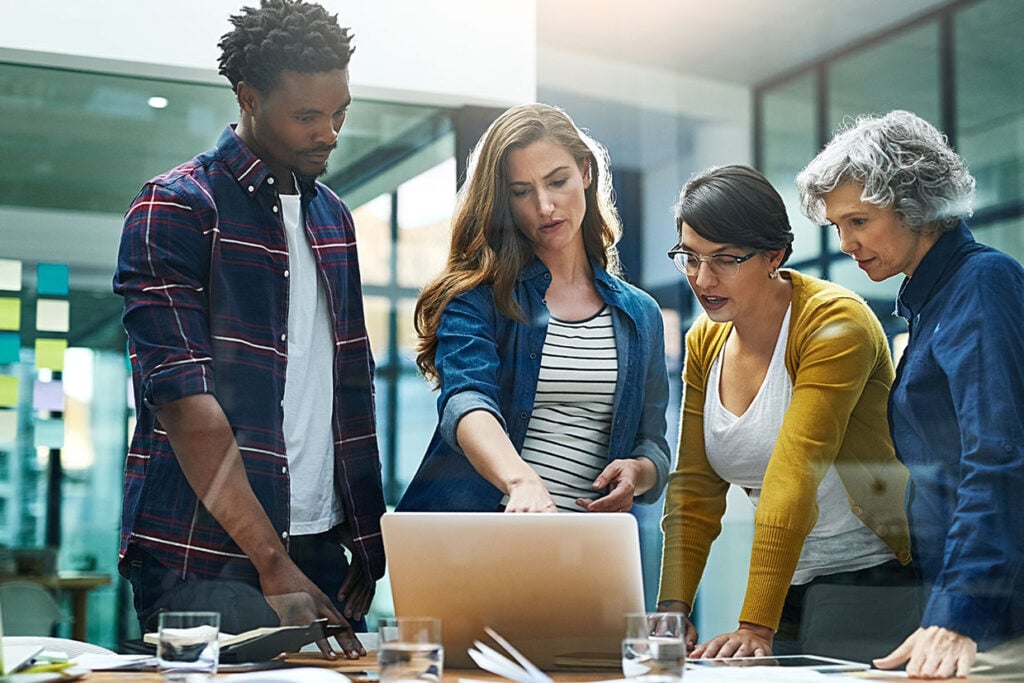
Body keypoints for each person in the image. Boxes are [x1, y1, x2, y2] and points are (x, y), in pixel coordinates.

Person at [113, 0, 385, 658]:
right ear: (248, 97)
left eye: (340, 112)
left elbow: (347, 389)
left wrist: (367, 542)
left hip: (317, 548)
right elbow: (184, 404)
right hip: (203, 554)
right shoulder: (178, 205)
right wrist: (271, 562)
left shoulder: (333, 220)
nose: (329, 132)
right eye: (307, 116)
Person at [657, 165, 918, 662]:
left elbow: (796, 467)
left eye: (725, 260)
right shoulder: (705, 338)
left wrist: (754, 624)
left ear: (774, 255)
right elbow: (693, 485)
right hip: (792, 583)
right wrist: (672, 610)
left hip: (872, 583)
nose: (702, 278)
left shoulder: (834, 320)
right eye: (689, 257)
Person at [798, 110, 1024, 680]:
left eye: (859, 221)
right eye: (837, 227)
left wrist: (960, 613)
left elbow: (998, 457)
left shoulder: (981, 285)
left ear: (916, 205)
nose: (847, 243)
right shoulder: (929, 304)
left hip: (997, 614)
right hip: (958, 600)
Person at [396, 103, 670, 513]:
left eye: (557, 181)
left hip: (582, 552)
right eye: (522, 192)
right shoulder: (477, 298)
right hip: (478, 543)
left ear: (586, 172)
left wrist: (638, 472)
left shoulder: (640, 314)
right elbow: (467, 401)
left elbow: (654, 444)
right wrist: (521, 481)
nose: (544, 207)